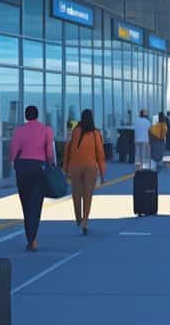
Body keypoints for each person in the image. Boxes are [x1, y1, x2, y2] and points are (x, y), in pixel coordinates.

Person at [9, 105, 55, 251]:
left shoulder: (19, 131)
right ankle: (32, 239)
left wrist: (13, 163)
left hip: (22, 168)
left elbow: (13, 150)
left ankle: (30, 236)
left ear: (25, 116)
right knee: (36, 204)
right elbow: (49, 152)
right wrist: (51, 163)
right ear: (37, 115)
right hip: (38, 168)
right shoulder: (46, 130)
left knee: (26, 203)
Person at [64, 109, 105, 236]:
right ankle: (85, 222)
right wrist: (102, 172)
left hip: (75, 166)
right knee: (88, 195)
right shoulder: (95, 133)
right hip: (90, 168)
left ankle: (78, 218)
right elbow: (100, 154)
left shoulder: (75, 131)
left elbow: (68, 149)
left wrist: (65, 168)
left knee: (76, 194)